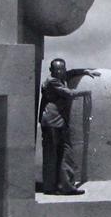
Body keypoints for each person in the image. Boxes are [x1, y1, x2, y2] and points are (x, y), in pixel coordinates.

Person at [39, 58, 100, 195]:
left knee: (55, 154)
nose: (61, 72)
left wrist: (84, 71)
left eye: (62, 69)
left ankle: (51, 187)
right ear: (52, 71)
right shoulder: (52, 81)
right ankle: (66, 187)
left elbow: (71, 72)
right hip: (53, 122)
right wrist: (84, 93)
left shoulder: (60, 77)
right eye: (58, 70)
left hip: (53, 122)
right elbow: (68, 93)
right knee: (64, 153)